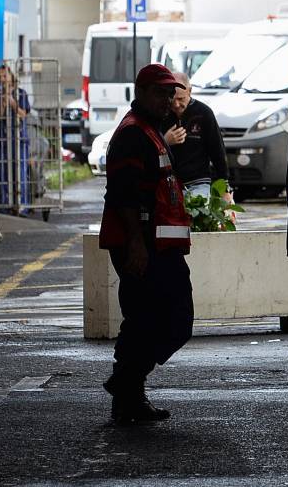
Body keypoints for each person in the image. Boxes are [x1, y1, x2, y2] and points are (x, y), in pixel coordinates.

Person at [98, 63, 194, 424]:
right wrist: (136, 246)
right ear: (141, 93)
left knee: (155, 319)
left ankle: (128, 390)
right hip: (142, 246)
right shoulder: (132, 134)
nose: (168, 99)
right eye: (160, 92)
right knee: (155, 318)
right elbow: (123, 196)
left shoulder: (152, 131)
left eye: (171, 93)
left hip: (159, 245)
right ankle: (126, 388)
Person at [162, 72, 231, 201]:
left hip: (198, 181)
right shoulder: (162, 114)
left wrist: (225, 188)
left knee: (195, 212)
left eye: (181, 99)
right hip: (169, 183)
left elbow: (217, 151)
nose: (176, 105)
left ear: (190, 91)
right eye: (172, 99)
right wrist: (165, 141)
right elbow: (150, 150)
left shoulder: (204, 113)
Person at [0, 65, 31, 213]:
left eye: (4, 76)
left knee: (20, 171)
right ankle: (4, 206)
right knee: (2, 172)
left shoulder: (21, 93)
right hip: (2, 138)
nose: (2, 79)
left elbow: (23, 114)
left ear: (11, 76)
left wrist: (13, 103)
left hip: (18, 137)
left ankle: (22, 206)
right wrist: (3, 102)